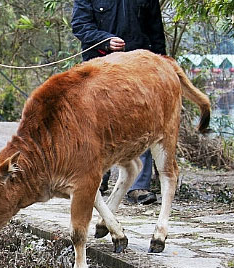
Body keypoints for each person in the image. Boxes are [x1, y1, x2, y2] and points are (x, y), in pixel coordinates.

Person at [71, 0, 166, 204]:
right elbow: (80, 25)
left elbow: (156, 33)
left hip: (138, 70)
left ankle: (138, 187)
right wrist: (105, 41)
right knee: (97, 126)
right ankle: (97, 179)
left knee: (143, 123)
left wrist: (163, 68)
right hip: (99, 69)